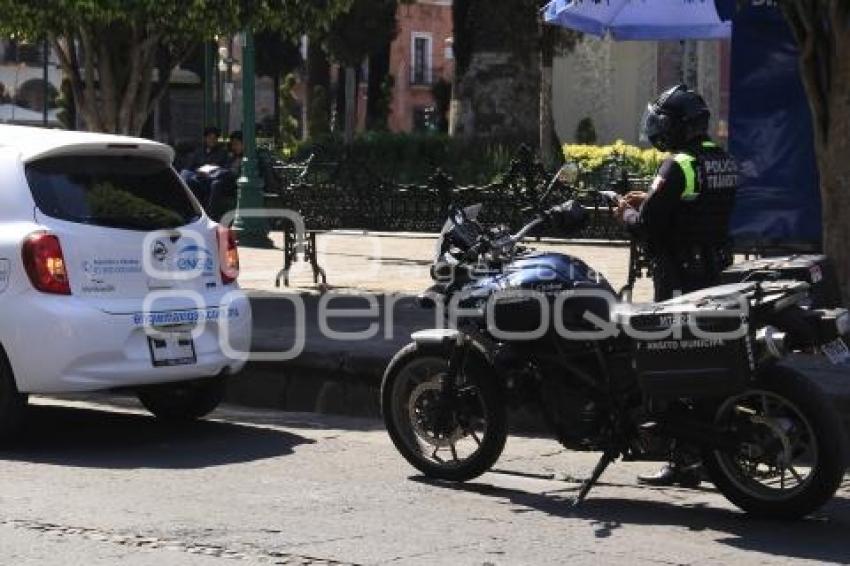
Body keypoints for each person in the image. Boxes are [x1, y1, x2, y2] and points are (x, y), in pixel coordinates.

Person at [615, 84, 739, 486]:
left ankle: (683, 458)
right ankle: (697, 456)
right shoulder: (721, 160)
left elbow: (650, 226)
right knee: (705, 359)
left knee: (674, 363)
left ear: (675, 126)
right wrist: (649, 200)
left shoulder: (677, 165)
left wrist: (625, 214)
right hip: (714, 272)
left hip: (680, 278)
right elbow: (694, 205)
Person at [179, 126, 229, 204]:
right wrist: (197, 170)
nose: (212, 140)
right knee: (185, 174)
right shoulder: (199, 151)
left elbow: (222, 169)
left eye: (214, 138)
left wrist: (212, 170)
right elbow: (190, 166)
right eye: (209, 138)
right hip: (197, 176)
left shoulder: (222, 153)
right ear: (205, 138)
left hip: (210, 179)